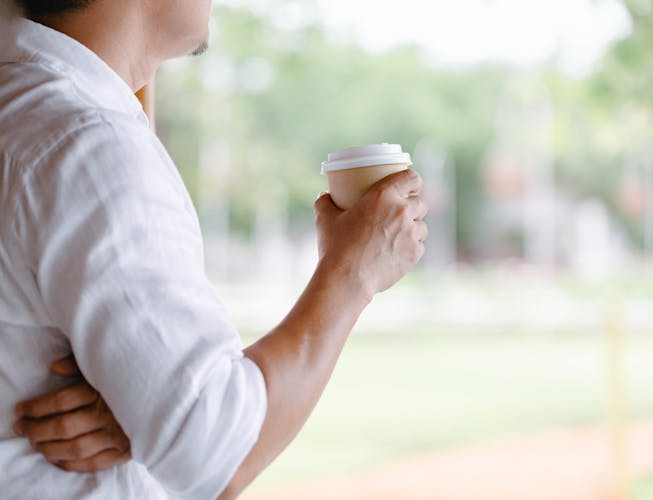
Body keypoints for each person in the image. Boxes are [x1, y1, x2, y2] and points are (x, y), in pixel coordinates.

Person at [0, 0, 429, 498]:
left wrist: (142, 404)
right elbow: (218, 452)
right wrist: (354, 272)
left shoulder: (27, 108)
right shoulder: (88, 146)